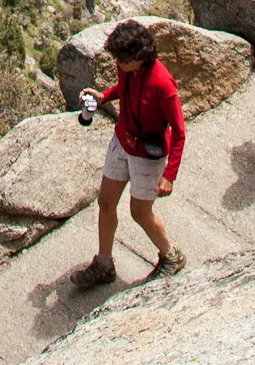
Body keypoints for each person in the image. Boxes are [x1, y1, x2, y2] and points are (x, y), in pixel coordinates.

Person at [75, 20, 186, 287]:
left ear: (138, 57)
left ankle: (171, 256)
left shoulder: (163, 84)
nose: (118, 63)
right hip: (122, 143)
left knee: (140, 212)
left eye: (122, 60)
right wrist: (103, 96)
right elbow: (125, 89)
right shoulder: (127, 68)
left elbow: (179, 132)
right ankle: (104, 264)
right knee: (106, 202)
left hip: (147, 156)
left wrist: (169, 175)